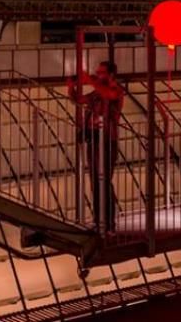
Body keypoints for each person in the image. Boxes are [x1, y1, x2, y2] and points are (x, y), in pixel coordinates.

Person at [68, 60, 125, 232]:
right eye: (97, 72)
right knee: (95, 181)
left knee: (104, 181)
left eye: (102, 73)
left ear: (111, 75)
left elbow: (110, 95)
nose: (98, 75)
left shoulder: (116, 90)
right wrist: (71, 87)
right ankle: (99, 220)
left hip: (107, 141)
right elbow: (79, 100)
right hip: (94, 140)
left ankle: (109, 223)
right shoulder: (96, 93)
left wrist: (90, 80)